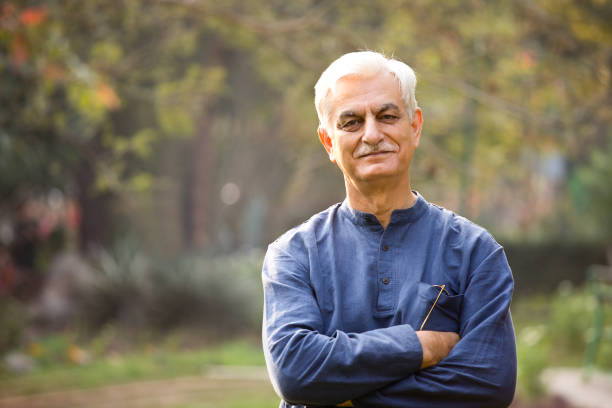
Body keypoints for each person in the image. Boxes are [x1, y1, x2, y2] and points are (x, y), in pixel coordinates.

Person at [262, 51, 517, 408]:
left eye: (387, 116)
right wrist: (420, 347)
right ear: (328, 142)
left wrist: (341, 396)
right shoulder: (293, 255)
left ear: (414, 127)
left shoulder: (476, 252)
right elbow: (294, 371)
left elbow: (488, 383)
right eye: (351, 122)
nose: (371, 134)